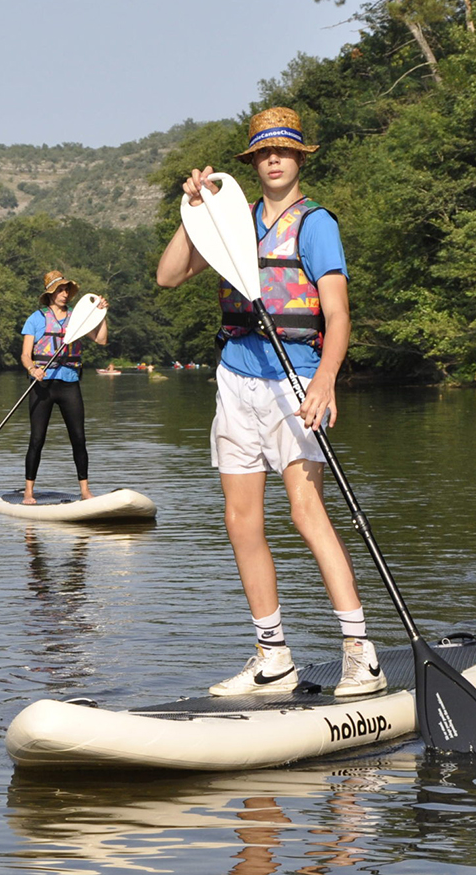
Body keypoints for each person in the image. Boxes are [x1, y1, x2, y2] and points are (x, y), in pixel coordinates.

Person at [155, 106, 383, 698]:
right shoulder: (233, 221)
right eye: (263, 151)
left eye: (283, 150)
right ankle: (272, 655)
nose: (274, 158)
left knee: (307, 512)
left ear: (299, 158)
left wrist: (327, 381)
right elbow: (169, 276)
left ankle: (361, 653)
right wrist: (194, 214)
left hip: (297, 375)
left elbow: (337, 313)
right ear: (252, 162)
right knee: (240, 519)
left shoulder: (316, 223)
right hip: (236, 376)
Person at [20, 271, 108, 504]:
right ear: (50, 293)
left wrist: (101, 314)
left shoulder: (77, 318)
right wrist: (32, 370)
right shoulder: (36, 319)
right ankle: (29, 493)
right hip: (42, 384)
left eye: (67, 290)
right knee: (37, 439)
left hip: (69, 383)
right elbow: (25, 355)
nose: (65, 294)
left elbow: (101, 340)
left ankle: (85, 491)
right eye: (60, 290)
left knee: (78, 438)